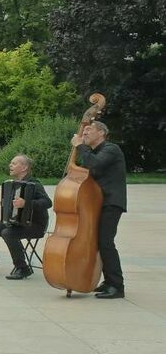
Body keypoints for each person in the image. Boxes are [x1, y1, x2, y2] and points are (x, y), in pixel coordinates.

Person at [73, 121, 128, 299]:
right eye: (85, 130)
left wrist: (80, 146)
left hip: (111, 202)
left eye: (89, 129)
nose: (85, 132)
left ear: (102, 133)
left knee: (105, 242)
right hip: (97, 203)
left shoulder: (111, 149)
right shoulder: (94, 152)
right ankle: (108, 281)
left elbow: (94, 165)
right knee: (98, 242)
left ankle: (117, 286)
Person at [0, 155, 51, 279]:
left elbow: (47, 203)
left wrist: (26, 203)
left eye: (14, 163)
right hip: (18, 222)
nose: (10, 165)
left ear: (24, 167)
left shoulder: (34, 184)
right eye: (11, 163)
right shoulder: (14, 184)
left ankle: (23, 268)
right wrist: (6, 205)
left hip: (35, 225)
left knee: (8, 233)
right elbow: (14, 206)